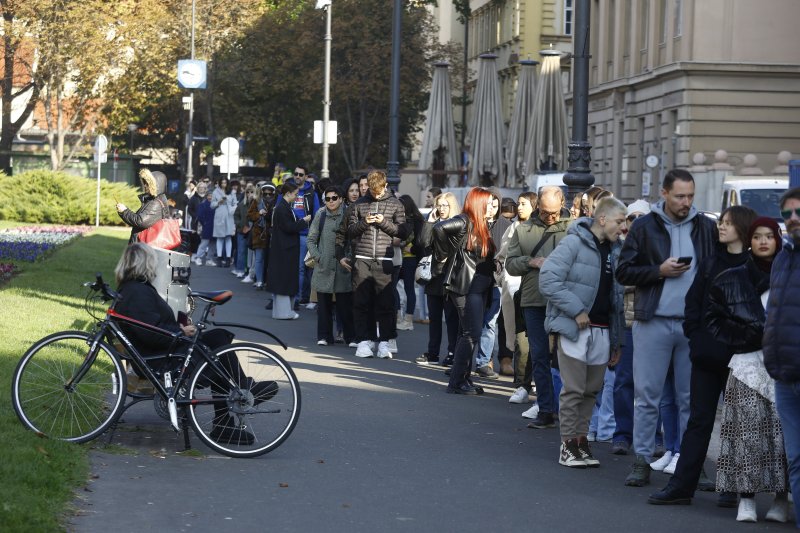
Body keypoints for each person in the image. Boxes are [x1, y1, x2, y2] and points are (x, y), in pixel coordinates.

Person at [647, 205, 757, 505]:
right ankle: (682, 486)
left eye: (728, 223)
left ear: (743, 229)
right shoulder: (710, 262)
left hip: (743, 359)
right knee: (699, 420)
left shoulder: (755, 265)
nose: (721, 227)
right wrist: (695, 337)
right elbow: (693, 303)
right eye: (721, 222)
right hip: (707, 354)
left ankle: (734, 488)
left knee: (739, 423)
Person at [113, 243, 276, 444]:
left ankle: (234, 404)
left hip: (162, 353)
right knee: (217, 348)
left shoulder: (133, 290)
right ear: (145, 265)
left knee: (218, 339)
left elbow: (151, 326)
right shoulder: (138, 292)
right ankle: (235, 403)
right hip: (164, 361)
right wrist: (180, 331)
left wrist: (180, 327)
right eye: (153, 263)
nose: (156, 267)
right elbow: (151, 333)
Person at [616, 169, 718, 487]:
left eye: (690, 196)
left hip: (692, 326)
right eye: (679, 196)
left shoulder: (705, 227)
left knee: (691, 398)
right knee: (648, 395)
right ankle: (642, 459)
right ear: (664, 193)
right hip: (653, 321)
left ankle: (692, 463)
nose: (686, 202)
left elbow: (716, 269)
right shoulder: (645, 226)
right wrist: (658, 271)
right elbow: (624, 271)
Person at [706, 217, 788, 523]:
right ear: (750, 241)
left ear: (778, 240)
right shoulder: (731, 278)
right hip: (747, 365)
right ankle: (747, 499)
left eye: (770, 236)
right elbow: (714, 319)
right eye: (757, 237)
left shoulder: (790, 275)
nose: (764, 242)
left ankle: (782, 500)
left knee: (783, 437)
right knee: (747, 435)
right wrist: (748, 338)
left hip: (785, 365)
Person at [539, 197, 627, 467]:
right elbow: (548, 280)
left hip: (602, 331)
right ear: (602, 219)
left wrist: (617, 341)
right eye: (619, 221)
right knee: (574, 389)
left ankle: (581, 443)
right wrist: (577, 310)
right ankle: (567, 446)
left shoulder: (616, 250)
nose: (623, 227)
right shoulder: (574, 242)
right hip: (576, 329)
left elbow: (617, 300)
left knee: (590, 391)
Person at [506, 186, 573, 426]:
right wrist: (531, 262)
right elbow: (510, 264)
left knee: (566, 359)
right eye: (545, 212)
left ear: (563, 203)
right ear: (538, 207)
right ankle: (545, 410)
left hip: (565, 302)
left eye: (554, 212)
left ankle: (568, 413)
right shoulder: (524, 230)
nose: (550, 217)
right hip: (534, 301)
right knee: (540, 357)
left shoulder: (574, 228)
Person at [433, 187, 497, 395]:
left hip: (479, 286)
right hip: (466, 287)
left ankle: (463, 378)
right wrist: (446, 253)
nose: (492, 208)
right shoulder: (465, 220)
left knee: (467, 333)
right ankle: (457, 382)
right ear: (479, 204)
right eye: (488, 203)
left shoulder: (480, 225)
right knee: (471, 333)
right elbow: (438, 229)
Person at [764, 187, 800, 528]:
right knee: (796, 459)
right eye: (787, 214)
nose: (793, 219)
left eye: (799, 212)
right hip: (784, 374)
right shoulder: (785, 255)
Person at [345, 171, 406, 359]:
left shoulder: (396, 204)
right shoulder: (359, 204)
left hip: (384, 259)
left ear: (385, 186)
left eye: (378, 192)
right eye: (372, 191)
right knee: (361, 302)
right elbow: (350, 231)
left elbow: (403, 232)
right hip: (362, 258)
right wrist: (365, 222)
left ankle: (385, 342)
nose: (376, 195)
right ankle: (363, 341)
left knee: (386, 304)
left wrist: (383, 222)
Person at [612, 199, 651, 454]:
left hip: (650, 321)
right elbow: (615, 285)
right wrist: (645, 278)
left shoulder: (657, 248)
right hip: (626, 323)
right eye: (630, 217)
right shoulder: (617, 249)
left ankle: (655, 438)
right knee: (623, 381)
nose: (634, 222)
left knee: (651, 385)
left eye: (640, 217)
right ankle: (622, 435)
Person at [416, 192, 461, 366]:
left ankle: (452, 352)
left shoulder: (457, 223)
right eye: (439, 205)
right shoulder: (433, 222)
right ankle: (432, 353)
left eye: (445, 205)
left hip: (450, 276)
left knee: (451, 318)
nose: (441, 209)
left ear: (452, 207)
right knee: (434, 318)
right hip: (434, 276)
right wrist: (429, 222)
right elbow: (423, 243)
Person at [307, 185, 355, 347]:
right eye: (328, 198)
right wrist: (318, 257)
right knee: (324, 306)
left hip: (343, 267)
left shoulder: (349, 214)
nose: (331, 201)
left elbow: (354, 239)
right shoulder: (320, 214)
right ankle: (324, 336)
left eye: (334, 198)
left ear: (341, 199)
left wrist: (349, 258)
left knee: (345, 306)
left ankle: (351, 337)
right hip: (324, 266)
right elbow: (311, 240)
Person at [474, 188, 511, 379]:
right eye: (489, 204)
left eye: (495, 204)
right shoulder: (475, 223)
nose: (493, 208)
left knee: (490, 322)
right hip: (476, 279)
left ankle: (483, 361)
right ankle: (463, 361)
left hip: (496, 281)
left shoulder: (506, 225)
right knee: (473, 323)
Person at [503, 192, 536, 398]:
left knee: (539, 344)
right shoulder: (515, 227)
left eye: (523, 204)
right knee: (521, 339)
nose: (519, 207)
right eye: (518, 204)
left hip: (540, 292)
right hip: (518, 288)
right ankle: (522, 384)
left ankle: (534, 383)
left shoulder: (542, 230)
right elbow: (505, 257)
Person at [266, 182, 311, 319]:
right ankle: (284, 312)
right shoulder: (282, 208)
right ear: (288, 193)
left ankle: (283, 311)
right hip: (285, 249)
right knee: (284, 280)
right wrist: (303, 221)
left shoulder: (283, 207)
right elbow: (289, 227)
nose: (297, 197)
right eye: (295, 194)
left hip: (285, 248)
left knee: (284, 280)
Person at [286, 166, 320, 306]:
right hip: (289, 233)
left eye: (301, 174)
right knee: (290, 267)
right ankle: (293, 295)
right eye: (296, 174)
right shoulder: (289, 190)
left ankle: (299, 297)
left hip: (304, 235)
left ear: (306, 177)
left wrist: (314, 234)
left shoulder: (311, 193)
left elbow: (317, 214)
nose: (298, 176)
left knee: (302, 268)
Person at [116, 169, 171, 244]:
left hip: (144, 247)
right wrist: (123, 212)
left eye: (148, 183)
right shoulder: (155, 200)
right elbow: (136, 221)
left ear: (155, 186)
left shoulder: (156, 203)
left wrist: (124, 211)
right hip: (143, 245)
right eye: (144, 183)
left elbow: (140, 221)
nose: (145, 185)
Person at [396, 195, 426, 332]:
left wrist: (412, 248)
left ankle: (408, 320)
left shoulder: (417, 220)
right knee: (392, 287)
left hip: (410, 258)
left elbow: (421, 241)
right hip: (398, 257)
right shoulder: (399, 219)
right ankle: (397, 317)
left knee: (409, 288)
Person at [211, 178, 237, 268]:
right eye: (222, 183)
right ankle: (219, 257)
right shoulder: (215, 192)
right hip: (220, 215)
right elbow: (212, 205)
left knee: (228, 237)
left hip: (229, 216)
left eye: (225, 183)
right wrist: (219, 202)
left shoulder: (232, 192)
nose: (223, 184)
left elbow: (235, 203)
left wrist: (232, 208)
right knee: (220, 237)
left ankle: (228, 258)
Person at [231, 183, 255, 278]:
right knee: (241, 251)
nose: (249, 194)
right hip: (242, 231)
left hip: (252, 231)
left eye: (252, 192)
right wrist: (239, 224)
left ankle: (249, 270)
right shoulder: (242, 204)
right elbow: (236, 215)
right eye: (248, 192)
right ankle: (240, 269)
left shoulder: (256, 203)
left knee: (251, 253)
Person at [193, 188, 215, 266]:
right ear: (206, 196)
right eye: (209, 195)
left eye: (212, 196)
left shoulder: (216, 204)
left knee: (213, 244)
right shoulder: (203, 204)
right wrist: (204, 223)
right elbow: (200, 216)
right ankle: (198, 258)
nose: (210, 197)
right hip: (207, 226)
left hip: (215, 227)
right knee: (204, 243)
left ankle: (209, 259)